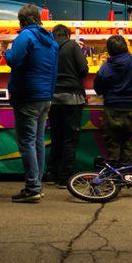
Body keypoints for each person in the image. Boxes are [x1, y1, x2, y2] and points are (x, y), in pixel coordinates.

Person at [6, 4, 59, 203]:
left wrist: (8, 50)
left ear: (23, 21)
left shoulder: (26, 37)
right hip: (45, 97)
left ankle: (33, 187)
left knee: (26, 142)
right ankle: (37, 183)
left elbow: (13, 60)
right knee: (37, 141)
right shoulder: (51, 40)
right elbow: (53, 70)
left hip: (27, 96)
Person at [94, 34, 132, 170]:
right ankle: (126, 175)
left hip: (112, 110)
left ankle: (113, 178)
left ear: (109, 50)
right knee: (129, 143)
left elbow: (98, 89)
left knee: (113, 145)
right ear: (125, 47)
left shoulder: (105, 68)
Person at [47, 23, 89, 188]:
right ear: (68, 34)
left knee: (56, 137)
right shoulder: (72, 46)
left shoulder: (48, 47)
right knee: (69, 138)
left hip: (52, 97)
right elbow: (83, 69)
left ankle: (51, 174)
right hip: (72, 97)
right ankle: (64, 178)